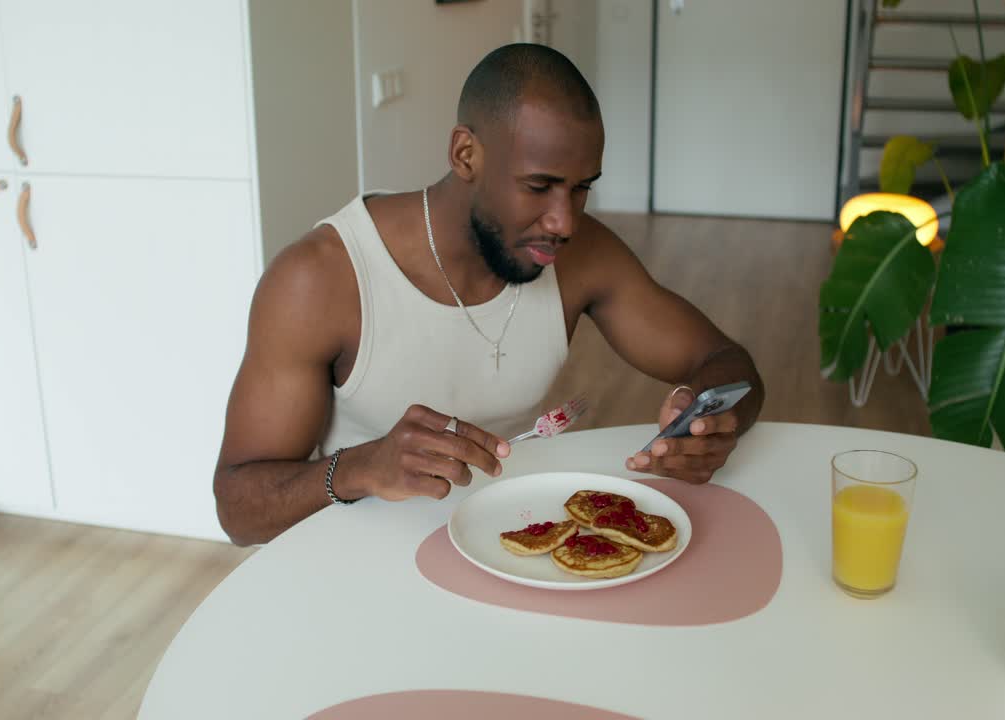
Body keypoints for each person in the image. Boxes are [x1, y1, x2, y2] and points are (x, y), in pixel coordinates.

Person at [212, 43, 763, 546]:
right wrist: (361, 467)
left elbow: (727, 363)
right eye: (539, 186)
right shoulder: (322, 278)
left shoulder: (582, 254)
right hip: (357, 564)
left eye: (581, 188)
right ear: (465, 154)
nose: (564, 221)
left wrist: (707, 422)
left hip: (508, 541)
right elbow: (237, 507)